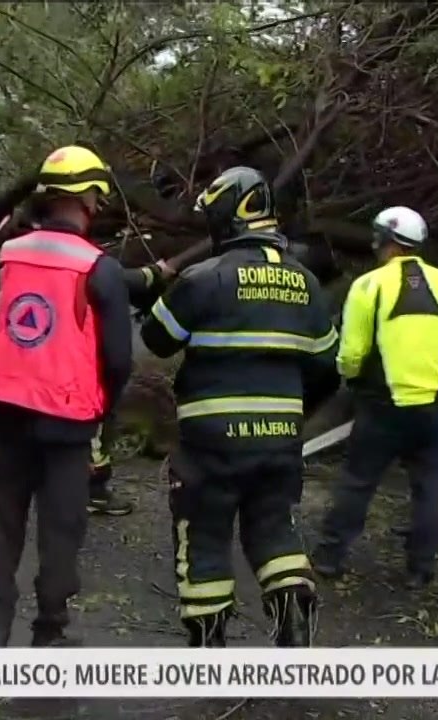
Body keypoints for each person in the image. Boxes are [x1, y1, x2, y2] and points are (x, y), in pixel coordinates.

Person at [140, 166, 340, 648]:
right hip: (280, 439)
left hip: (210, 441)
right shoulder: (308, 285)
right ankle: (293, 615)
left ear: (228, 217)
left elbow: (156, 339)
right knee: (273, 526)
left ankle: (209, 647)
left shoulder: (203, 279)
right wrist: (289, 414)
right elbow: (327, 368)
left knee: (203, 532)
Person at [0, 145, 133, 648]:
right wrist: (106, 409)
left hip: (6, 408)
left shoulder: (7, 254)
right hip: (68, 416)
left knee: (5, 518)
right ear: (91, 197)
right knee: (61, 526)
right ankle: (50, 631)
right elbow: (119, 358)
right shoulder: (99, 267)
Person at [312, 206, 438, 589]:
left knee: (358, 481)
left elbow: (352, 353)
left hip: (382, 405)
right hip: (434, 405)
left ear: (385, 241)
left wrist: (351, 378)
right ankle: (420, 570)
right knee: (427, 486)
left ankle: (328, 558)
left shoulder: (368, 286)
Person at [86, 259, 177, 516]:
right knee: (94, 426)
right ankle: (92, 490)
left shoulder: (23, 257)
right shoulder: (93, 266)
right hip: (82, 370)